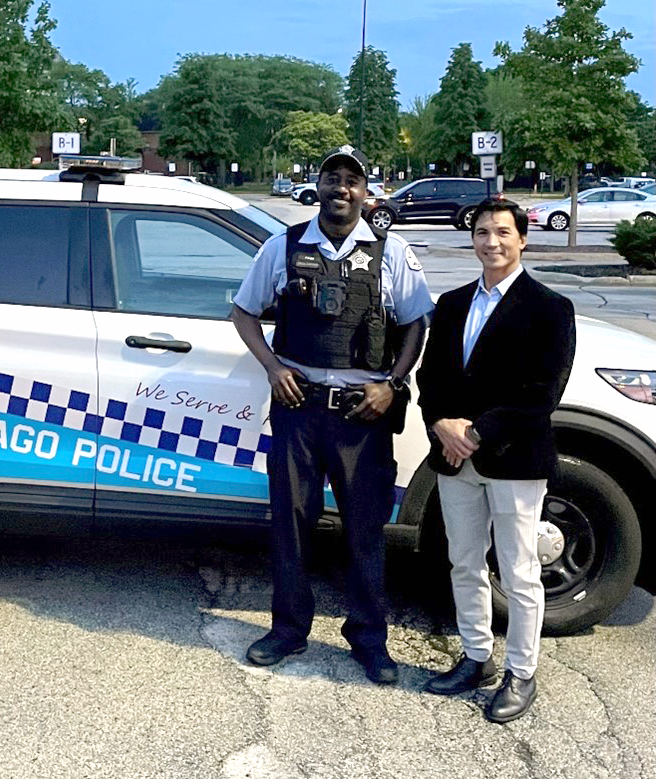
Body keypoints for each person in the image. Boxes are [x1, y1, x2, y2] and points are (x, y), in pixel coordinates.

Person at [231, 145, 433, 683]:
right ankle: (288, 630)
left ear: (367, 192)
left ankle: (368, 638)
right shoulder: (284, 245)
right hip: (299, 408)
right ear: (318, 186)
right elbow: (243, 312)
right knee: (290, 525)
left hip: (362, 415)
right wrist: (274, 368)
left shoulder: (391, 252)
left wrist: (393, 384)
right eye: (332, 178)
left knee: (364, 530)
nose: (341, 189)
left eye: (352, 181)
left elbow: (416, 323)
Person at [418, 199, 575, 723]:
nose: (491, 242)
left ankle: (520, 673)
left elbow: (541, 394)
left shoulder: (550, 308)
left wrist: (477, 433)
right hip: (452, 457)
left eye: (503, 232)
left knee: (519, 570)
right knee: (464, 561)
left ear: (523, 239)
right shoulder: (454, 302)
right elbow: (430, 379)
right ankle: (477, 657)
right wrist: (441, 423)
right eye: (482, 232)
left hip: (514, 460)